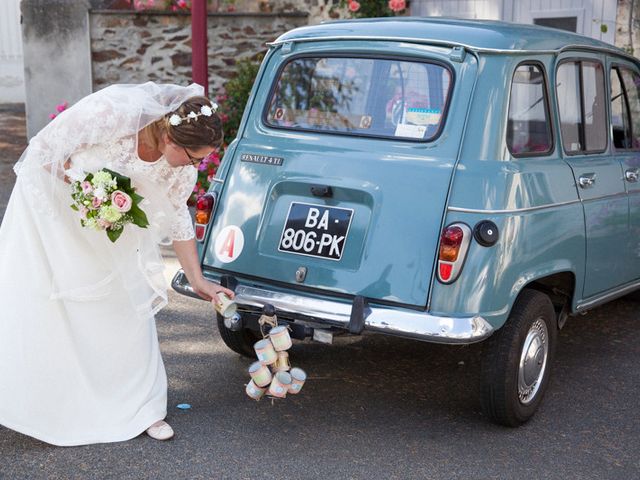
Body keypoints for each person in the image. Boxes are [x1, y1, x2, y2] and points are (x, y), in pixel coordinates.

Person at [0, 82, 234, 445]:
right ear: (170, 139)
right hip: (55, 211)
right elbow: (43, 150)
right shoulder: (113, 114)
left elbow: (177, 219)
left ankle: (143, 409)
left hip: (112, 225)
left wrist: (197, 278)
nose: (196, 166)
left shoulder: (181, 171)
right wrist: (87, 188)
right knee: (58, 306)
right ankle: (54, 405)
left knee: (126, 307)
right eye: (193, 157)